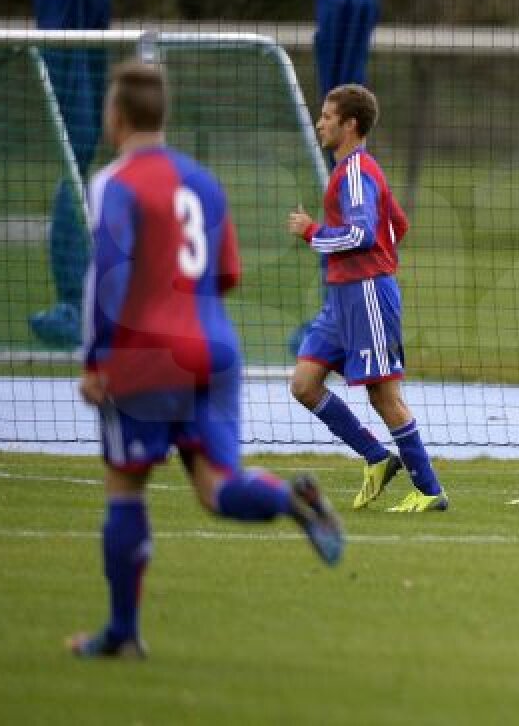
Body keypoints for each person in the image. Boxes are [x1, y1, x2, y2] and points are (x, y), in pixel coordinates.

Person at [68, 60, 344, 659]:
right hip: (215, 349)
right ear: (162, 115)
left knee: (126, 488)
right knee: (218, 488)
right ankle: (290, 500)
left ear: (115, 118)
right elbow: (226, 275)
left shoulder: (114, 183)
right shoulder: (204, 182)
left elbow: (107, 277)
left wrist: (96, 362)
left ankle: (121, 633)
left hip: (146, 352)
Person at [287, 84, 447, 512]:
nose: (320, 122)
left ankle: (430, 491)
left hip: (367, 296)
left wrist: (312, 232)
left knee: (384, 397)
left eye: (327, 115)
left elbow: (362, 233)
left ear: (349, 124)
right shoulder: (353, 172)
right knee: (304, 384)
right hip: (341, 299)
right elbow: (398, 224)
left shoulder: (356, 171)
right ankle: (377, 457)